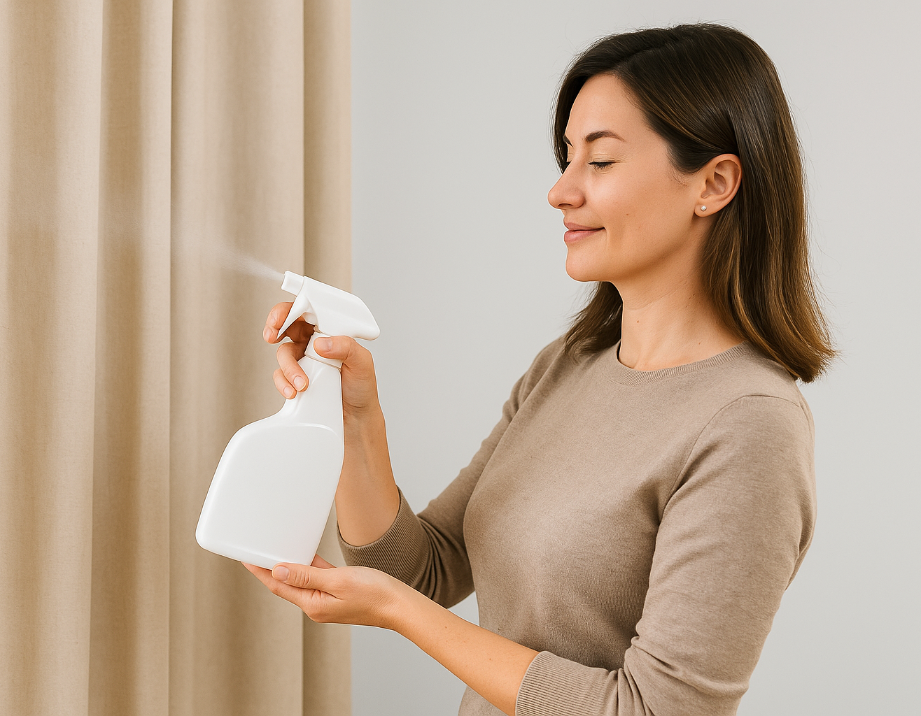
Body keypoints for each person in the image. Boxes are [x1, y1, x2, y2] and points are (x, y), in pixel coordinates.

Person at [245, 23, 833, 716]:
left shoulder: (750, 425)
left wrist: (400, 613)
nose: (560, 191)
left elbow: (654, 709)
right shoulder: (565, 368)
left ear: (714, 183)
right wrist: (353, 413)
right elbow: (417, 570)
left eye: (600, 161)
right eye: (566, 157)